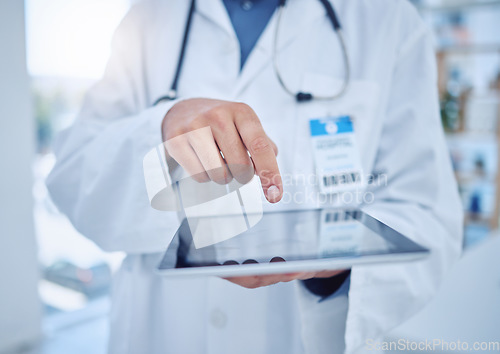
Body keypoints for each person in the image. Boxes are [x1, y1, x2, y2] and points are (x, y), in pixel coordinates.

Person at [47, 0, 463, 353]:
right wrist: (161, 126)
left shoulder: (388, 21)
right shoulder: (151, 17)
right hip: (161, 334)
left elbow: (427, 214)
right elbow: (72, 175)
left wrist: (336, 265)